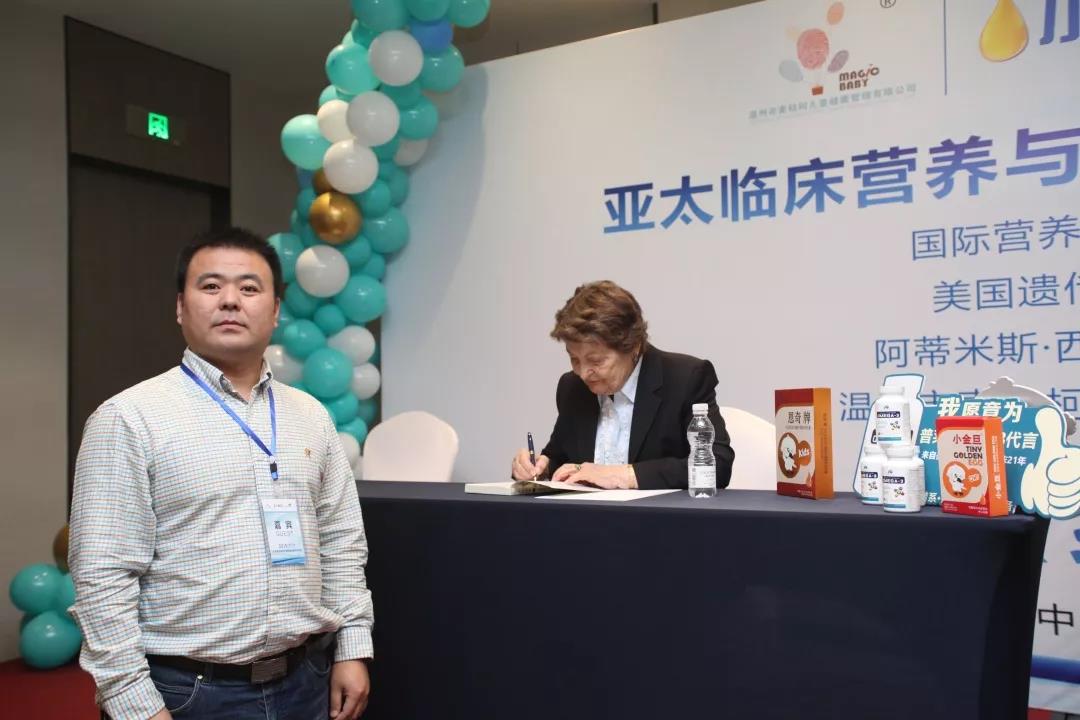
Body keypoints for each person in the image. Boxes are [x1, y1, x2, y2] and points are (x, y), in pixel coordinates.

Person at [69, 227, 374, 720]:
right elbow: (102, 574)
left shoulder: (310, 415)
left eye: (249, 288)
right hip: (186, 693)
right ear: (180, 307)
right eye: (210, 286)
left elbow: (340, 539)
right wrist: (133, 704)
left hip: (306, 681)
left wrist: (352, 646)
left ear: (275, 311)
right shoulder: (129, 418)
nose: (230, 300)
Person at [511, 281, 734, 489]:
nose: (583, 373)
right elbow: (559, 456)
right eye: (574, 359)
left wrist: (625, 475)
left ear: (633, 346)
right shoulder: (572, 387)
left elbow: (718, 465)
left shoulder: (685, 378)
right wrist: (539, 468)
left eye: (596, 361)